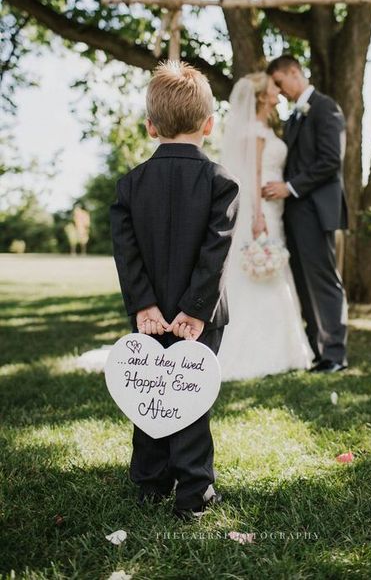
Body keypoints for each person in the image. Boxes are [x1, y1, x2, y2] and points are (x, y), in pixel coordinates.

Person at [109, 61, 239, 519]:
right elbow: (216, 252)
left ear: (149, 126)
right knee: (190, 394)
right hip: (199, 317)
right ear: (209, 123)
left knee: (147, 389)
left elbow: (126, 254)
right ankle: (194, 491)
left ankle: (150, 482)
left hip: (149, 314)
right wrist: (196, 309)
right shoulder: (221, 182)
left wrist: (145, 304)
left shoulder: (130, 185)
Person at [217, 72, 312, 380]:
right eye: (273, 88)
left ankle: (284, 347)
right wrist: (257, 217)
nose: (278, 91)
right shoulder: (255, 131)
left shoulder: (266, 128)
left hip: (274, 209)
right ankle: (259, 350)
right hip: (262, 212)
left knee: (272, 271)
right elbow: (252, 177)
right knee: (263, 273)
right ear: (261, 96)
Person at [264, 55, 348, 373]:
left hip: (314, 209)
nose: (280, 91)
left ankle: (336, 355)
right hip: (294, 214)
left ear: (294, 73)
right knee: (302, 282)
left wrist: (290, 187)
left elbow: (330, 161)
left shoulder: (326, 108)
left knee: (323, 282)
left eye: (281, 83)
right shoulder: (295, 117)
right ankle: (318, 350)